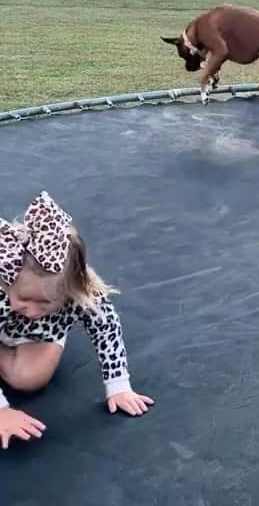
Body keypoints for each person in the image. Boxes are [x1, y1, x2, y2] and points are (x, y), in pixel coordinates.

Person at [0, 190, 153, 449]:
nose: (33, 310)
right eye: (24, 299)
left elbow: (107, 330)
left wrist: (118, 386)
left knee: (30, 380)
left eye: (46, 302)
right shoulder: (5, 281)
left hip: (35, 337)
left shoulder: (81, 295)